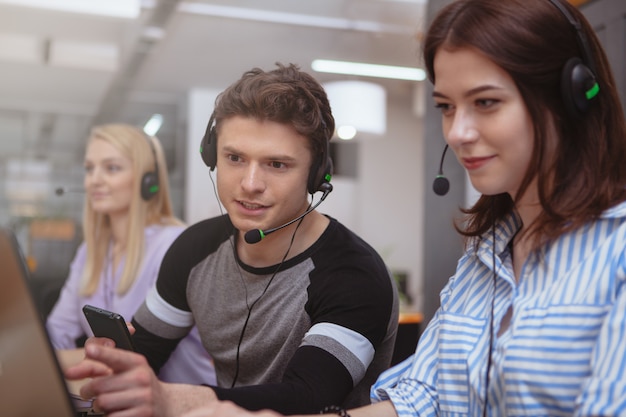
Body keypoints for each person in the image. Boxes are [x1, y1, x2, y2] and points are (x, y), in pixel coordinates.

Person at [178, 0, 626, 416]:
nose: (458, 132)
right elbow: (420, 397)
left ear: (573, 95)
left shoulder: (616, 253)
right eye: (447, 107)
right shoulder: (484, 259)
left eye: (485, 102)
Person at [64, 63, 399, 416]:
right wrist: (114, 367)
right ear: (213, 157)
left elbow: (308, 399)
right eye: (235, 158)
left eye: (277, 164)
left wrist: (172, 400)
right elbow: (144, 354)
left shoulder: (355, 275)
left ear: (316, 175)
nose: (250, 183)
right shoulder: (195, 249)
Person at [47, 123, 216, 385]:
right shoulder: (90, 252)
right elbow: (57, 333)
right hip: (121, 401)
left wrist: (54, 360)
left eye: (111, 168)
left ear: (148, 182)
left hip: (179, 402)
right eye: (90, 168)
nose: (95, 180)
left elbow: (136, 355)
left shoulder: (174, 244)